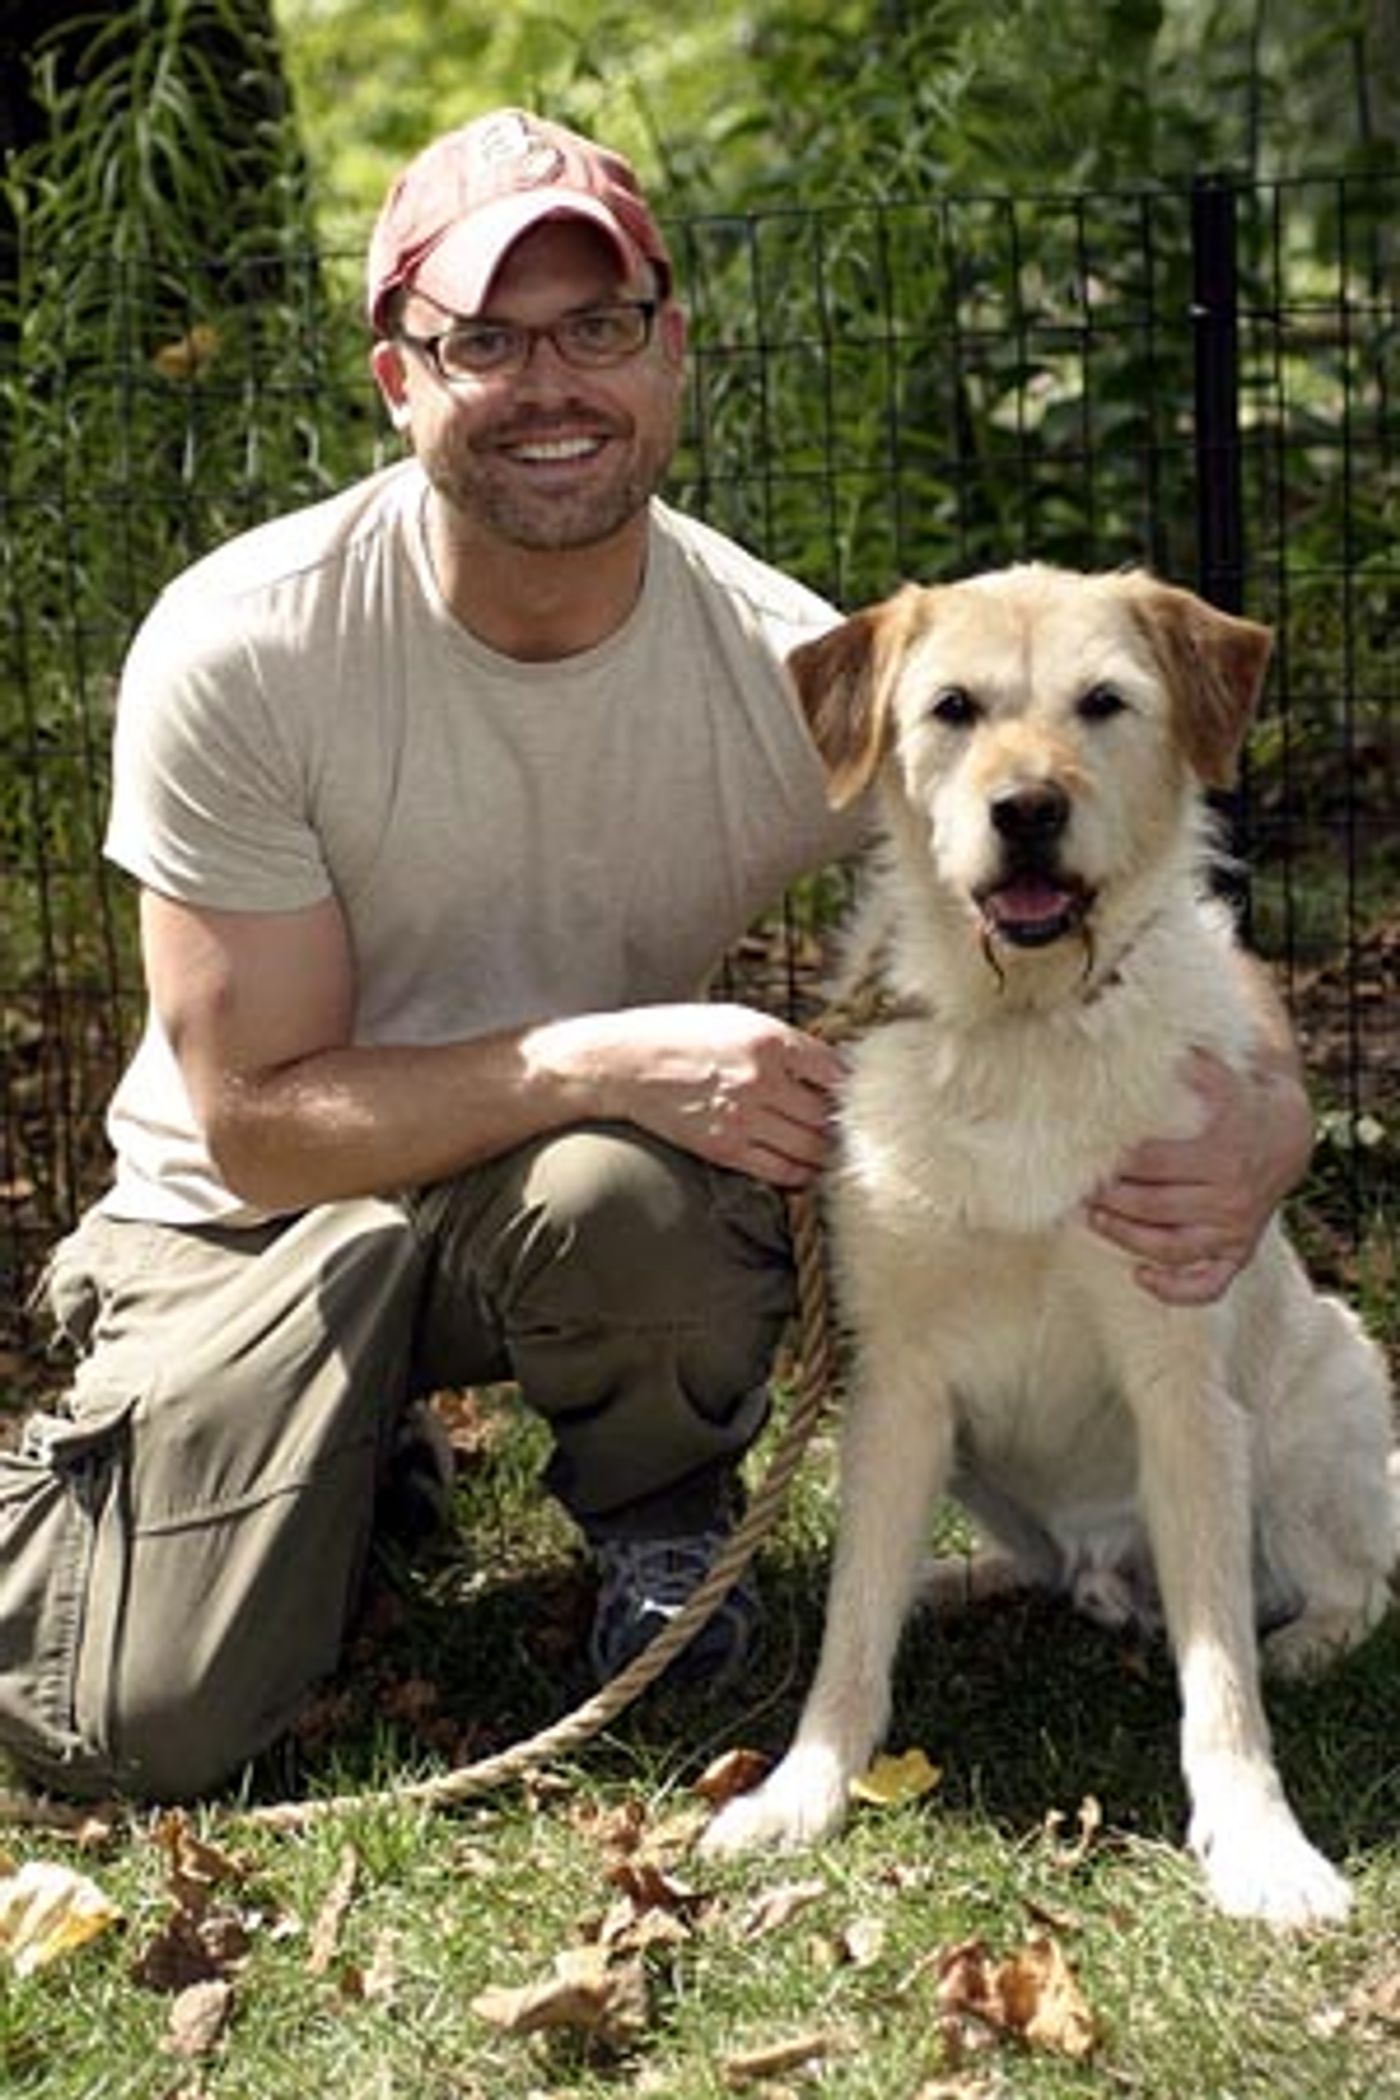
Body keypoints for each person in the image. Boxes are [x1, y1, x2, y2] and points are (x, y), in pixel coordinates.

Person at [0, 108, 1314, 1805]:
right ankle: (302, 1464)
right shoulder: (245, 643)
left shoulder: (791, 670)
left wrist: (1268, 1113)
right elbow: (251, 1125)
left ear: (670, 353)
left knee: (640, 1191)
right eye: (484, 341)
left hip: (549, 1214)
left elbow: (1115, 885)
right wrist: (597, 1058)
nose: (549, 384)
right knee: (140, 1730)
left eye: (598, 327)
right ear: (397, 377)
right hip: (243, 1225)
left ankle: (657, 1533)